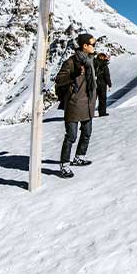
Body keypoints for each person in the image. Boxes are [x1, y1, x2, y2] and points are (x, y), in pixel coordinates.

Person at [55, 33, 98, 178]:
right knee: (71, 136)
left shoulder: (91, 61)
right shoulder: (71, 62)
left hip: (88, 103)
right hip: (74, 104)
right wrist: (73, 74)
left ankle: (79, 156)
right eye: (93, 44)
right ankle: (64, 165)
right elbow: (59, 79)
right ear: (85, 46)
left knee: (86, 133)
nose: (95, 47)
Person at [94, 52, 112, 117]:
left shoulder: (94, 64)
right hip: (102, 84)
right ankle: (102, 113)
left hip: (94, 83)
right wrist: (109, 84)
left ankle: (88, 113)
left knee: (93, 99)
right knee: (102, 99)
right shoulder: (104, 65)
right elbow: (107, 75)